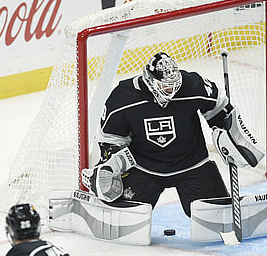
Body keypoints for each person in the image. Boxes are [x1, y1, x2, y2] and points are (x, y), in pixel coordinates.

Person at [82, 52, 257, 217]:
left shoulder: (192, 84)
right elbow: (110, 139)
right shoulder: (123, 96)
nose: (171, 91)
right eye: (165, 87)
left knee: (217, 215)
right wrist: (110, 164)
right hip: (143, 167)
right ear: (150, 81)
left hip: (192, 164)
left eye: (174, 85)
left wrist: (228, 133)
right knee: (123, 216)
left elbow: (220, 108)